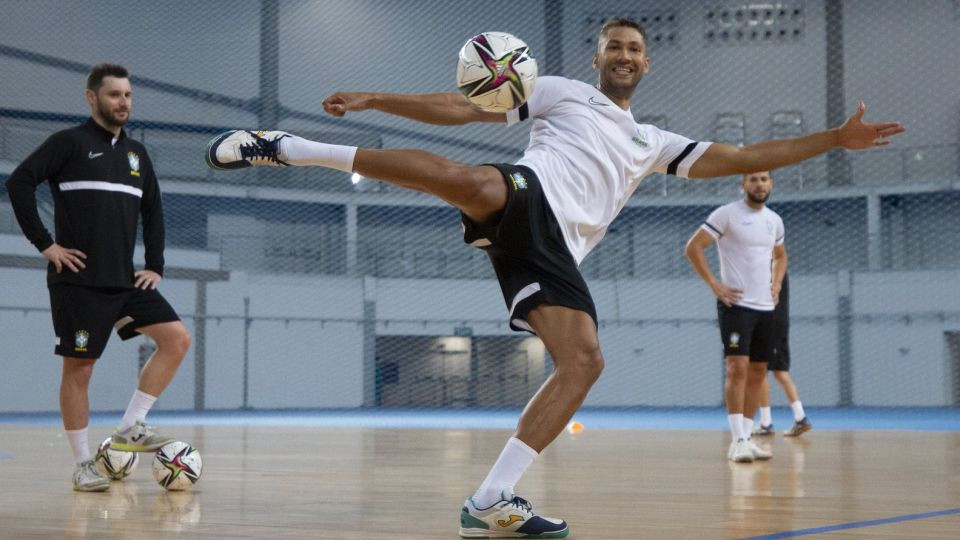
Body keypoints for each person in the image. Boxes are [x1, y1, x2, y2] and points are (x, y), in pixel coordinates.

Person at [204, 19, 903, 538]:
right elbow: (463, 107)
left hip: (555, 252)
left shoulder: (655, 142)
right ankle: (289, 148)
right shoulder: (562, 92)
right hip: (527, 193)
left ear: (645, 63)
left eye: (634, 47)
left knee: (584, 361)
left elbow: (753, 151)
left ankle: (490, 500)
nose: (624, 54)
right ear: (597, 58)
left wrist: (833, 141)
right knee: (469, 179)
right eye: (614, 45)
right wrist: (378, 97)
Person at [5, 63, 191, 492]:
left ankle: (131, 425)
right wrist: (46, 245)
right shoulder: (68, 144)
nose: (122, 102)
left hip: (125, 280)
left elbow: (154, 211)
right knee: (80, 369)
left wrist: (155, 265)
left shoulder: (137, 155)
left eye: (127, 95)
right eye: (113, 95)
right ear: (92, 99)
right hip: (78, 281)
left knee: (177, 339)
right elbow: (19, 183)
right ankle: (84, 463)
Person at [685, 171, 786, 463]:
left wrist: (776, 283)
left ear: (771, 184)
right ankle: (737, 439)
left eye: (765, 179)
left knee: (757, 372)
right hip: (736, 306)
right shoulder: (726, 214)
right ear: (743, 184)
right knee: (736, 368)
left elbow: (780, 256)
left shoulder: (774, 221)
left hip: (766, 307)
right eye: (753, 179)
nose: (759, 184)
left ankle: (747, 437)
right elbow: (693, 247)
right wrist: (714, 284)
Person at [751, 271, 814, 437]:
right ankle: (800, 418)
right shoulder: (775, 264)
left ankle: (766, 423)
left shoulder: (769, 265)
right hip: (777, 322)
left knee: (760, 369)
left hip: (770, 322)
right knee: (779, 372)